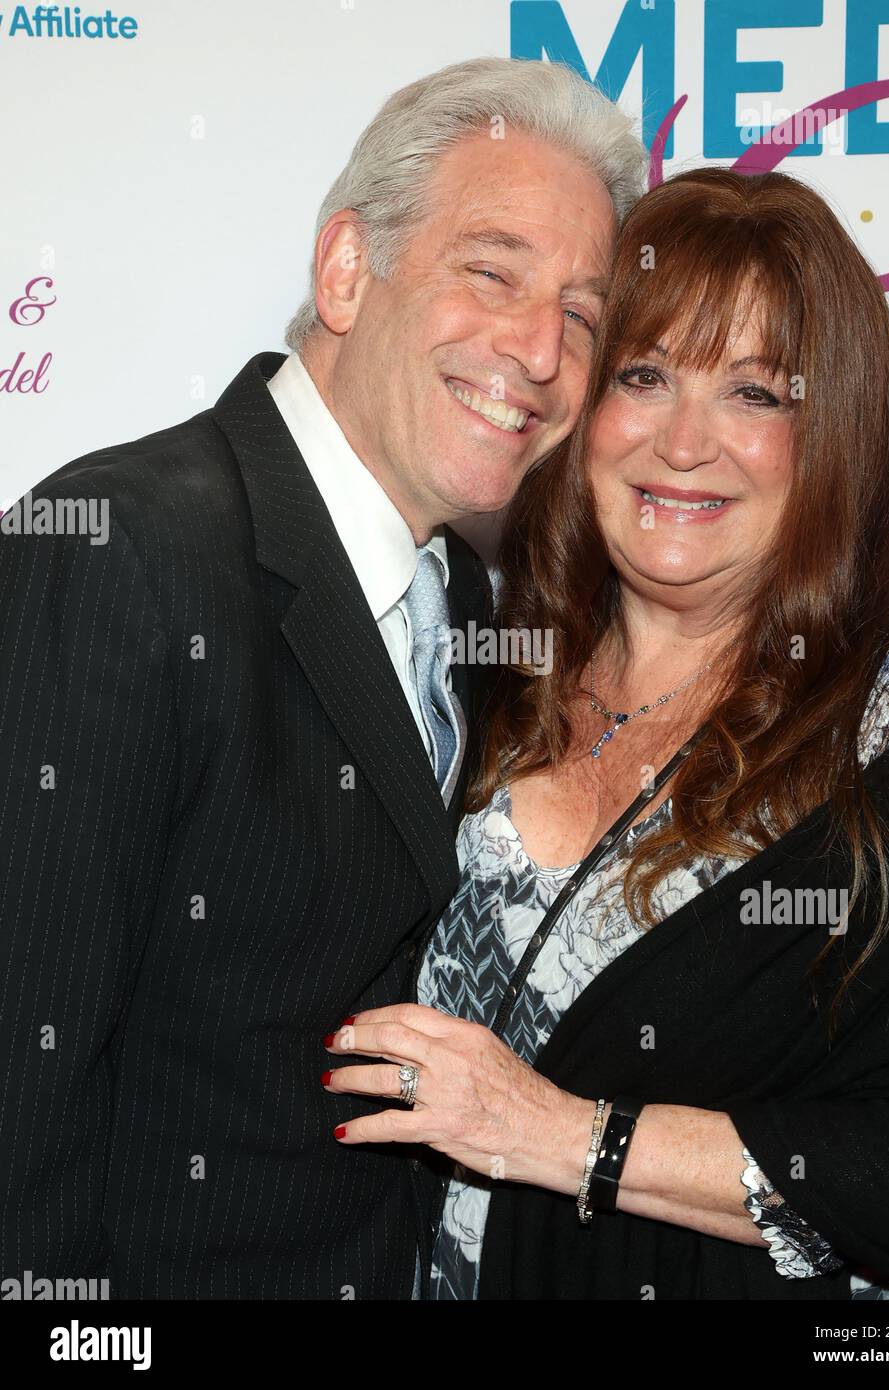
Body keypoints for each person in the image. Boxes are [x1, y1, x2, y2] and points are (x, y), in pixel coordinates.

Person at [0, 57, 645, 1298]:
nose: (536, 348)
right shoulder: (117, 551)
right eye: (491, 269)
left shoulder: (459, 597)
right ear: (347, 269)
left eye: (579, 312)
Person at [323, 166, 889, 1300]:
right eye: (643, 375)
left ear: (829, 431)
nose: (684, 442)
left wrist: (564, 1135)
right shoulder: (485, 660)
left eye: (754, 394)